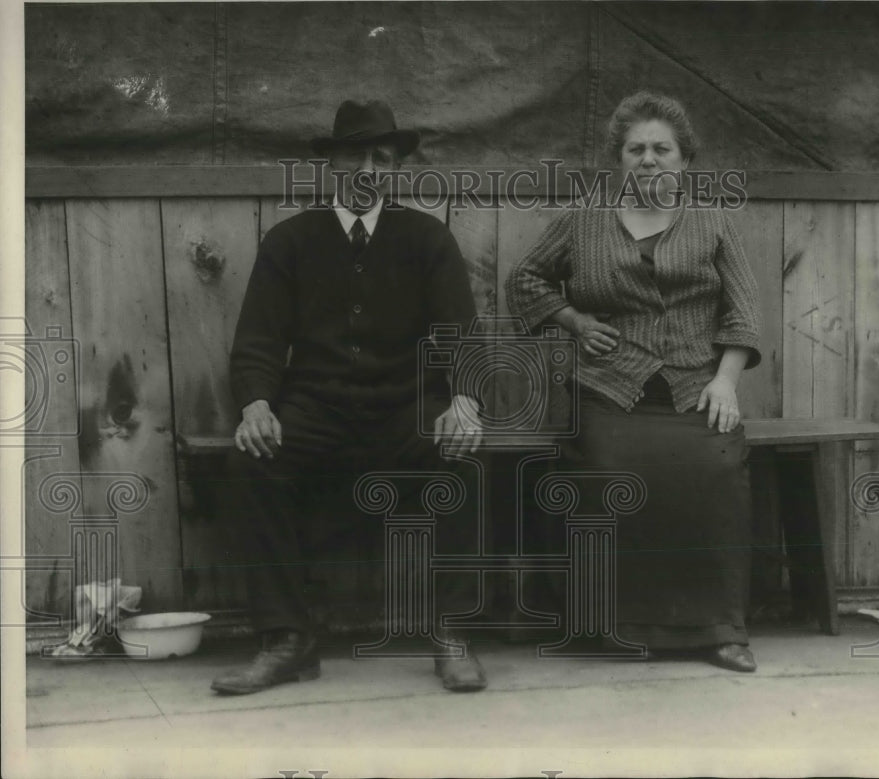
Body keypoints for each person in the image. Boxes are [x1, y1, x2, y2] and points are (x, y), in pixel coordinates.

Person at [211, 99, 487, 694]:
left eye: (381, 159)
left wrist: (464, 399)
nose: (368, 169)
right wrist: (257, 405)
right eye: (356, 156)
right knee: (249, 460)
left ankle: (452, 633)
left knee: (466, 454)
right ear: (333, 165)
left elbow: (460, 337)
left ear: (394, 171)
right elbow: (257, 342)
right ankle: (288, 639)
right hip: (315, 410)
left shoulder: (427, 238)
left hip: (405, 410)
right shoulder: (290, 241)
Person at [505, 91, 762, 672]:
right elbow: (525, 281)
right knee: (604, 469)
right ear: (619, 160)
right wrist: (571, 321)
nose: (648, 159)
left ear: (684, 160)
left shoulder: (714, 221)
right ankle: (615, 628)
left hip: (695, 388)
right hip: (608, 389)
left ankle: (722, 631)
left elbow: (742, 312)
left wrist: (725, 382)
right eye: (635, 149)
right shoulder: (583, 219)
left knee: (717, 469)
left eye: (661, 149)